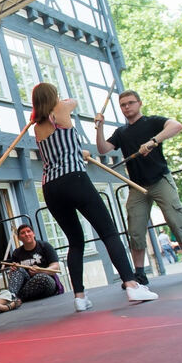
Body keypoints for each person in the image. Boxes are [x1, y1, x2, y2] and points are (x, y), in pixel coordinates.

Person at [31, 84, 158, 310]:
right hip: (74, 179)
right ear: (52, 97)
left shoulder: (38, 126)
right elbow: (73, 102)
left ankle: (79, 297)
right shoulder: (59, 110)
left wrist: (81, 153)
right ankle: (131, 284)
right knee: (108, 231)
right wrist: (58, 100)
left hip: (51, 186)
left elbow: (59, 151)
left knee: (75, 241)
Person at [94, 90, 182, 282]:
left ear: (139, 103)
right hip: (137, 186)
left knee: (175, 218)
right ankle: (139, 273)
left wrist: (154, 141)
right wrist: (99, 127)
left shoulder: (152, 122)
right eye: (123, 105)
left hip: (160, 179)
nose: (127, 107)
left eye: (130, 103)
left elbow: (177, 125)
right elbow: (103, 149)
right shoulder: (121, 132)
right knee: (135, 228)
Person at [6, 225, 63, 302]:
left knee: (41, 277)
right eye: (23, 233)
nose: (26, 234)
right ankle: (12, 296)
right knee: (18, 269)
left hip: (47, 282)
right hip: (27, 284)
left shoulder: (45, 246)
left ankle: (15, 299)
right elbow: (13, 276)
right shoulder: (17, 253)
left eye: (28, 231)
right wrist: (12, 271)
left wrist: (40, 271)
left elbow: (55, 267)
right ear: (19, 238)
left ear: (33, 234)